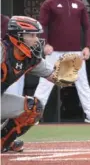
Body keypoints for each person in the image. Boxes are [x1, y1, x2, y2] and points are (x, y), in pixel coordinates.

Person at [34, 0, 90, 125]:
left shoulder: (79, 4)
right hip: (54, 51)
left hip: (74, 52)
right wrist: (45, 43)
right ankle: (33, 115)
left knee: (82, 84)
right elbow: (42, 25)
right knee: (45, 83)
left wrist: (86, 46)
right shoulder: (50, 3)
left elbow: (87, 27)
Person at [1, 16, 70, 152]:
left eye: (36, 35)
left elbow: (55, 76)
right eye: (31, 35)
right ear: (18, 36)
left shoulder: (31, 58)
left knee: (33, 107)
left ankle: (3, 141)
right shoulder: (2, 50)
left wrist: (67, 76)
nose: (36, 40)